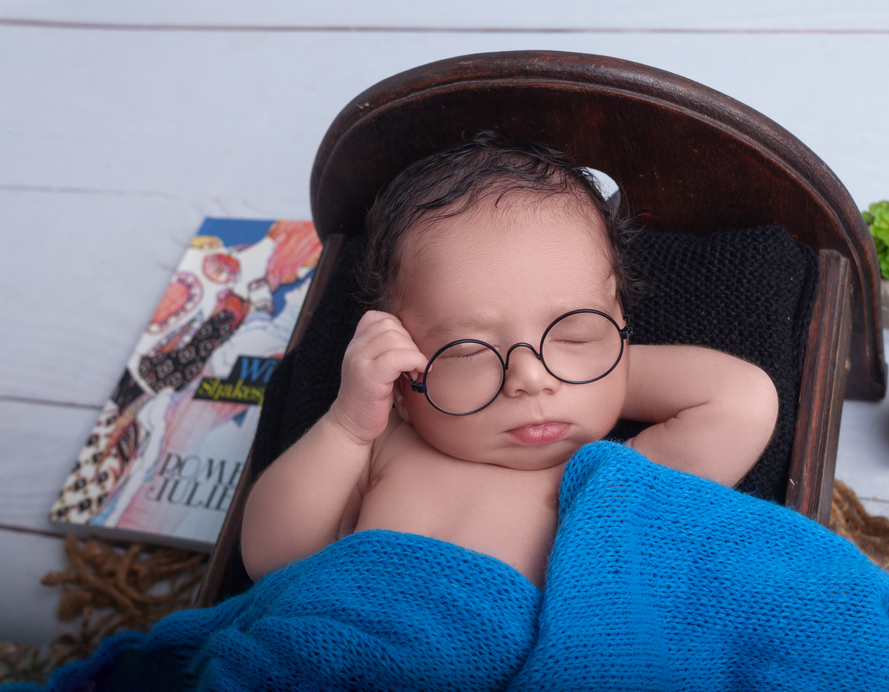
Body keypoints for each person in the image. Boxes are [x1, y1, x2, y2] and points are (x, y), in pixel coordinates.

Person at [241, 134, 779, 587]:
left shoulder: (608, 484)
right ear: (405, 376)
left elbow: (741, 401)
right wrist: (348, 425)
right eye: (471, 350)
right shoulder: (385, 449)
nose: (530, 378)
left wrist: (608, 362)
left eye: (574, 334)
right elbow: (272, 557)